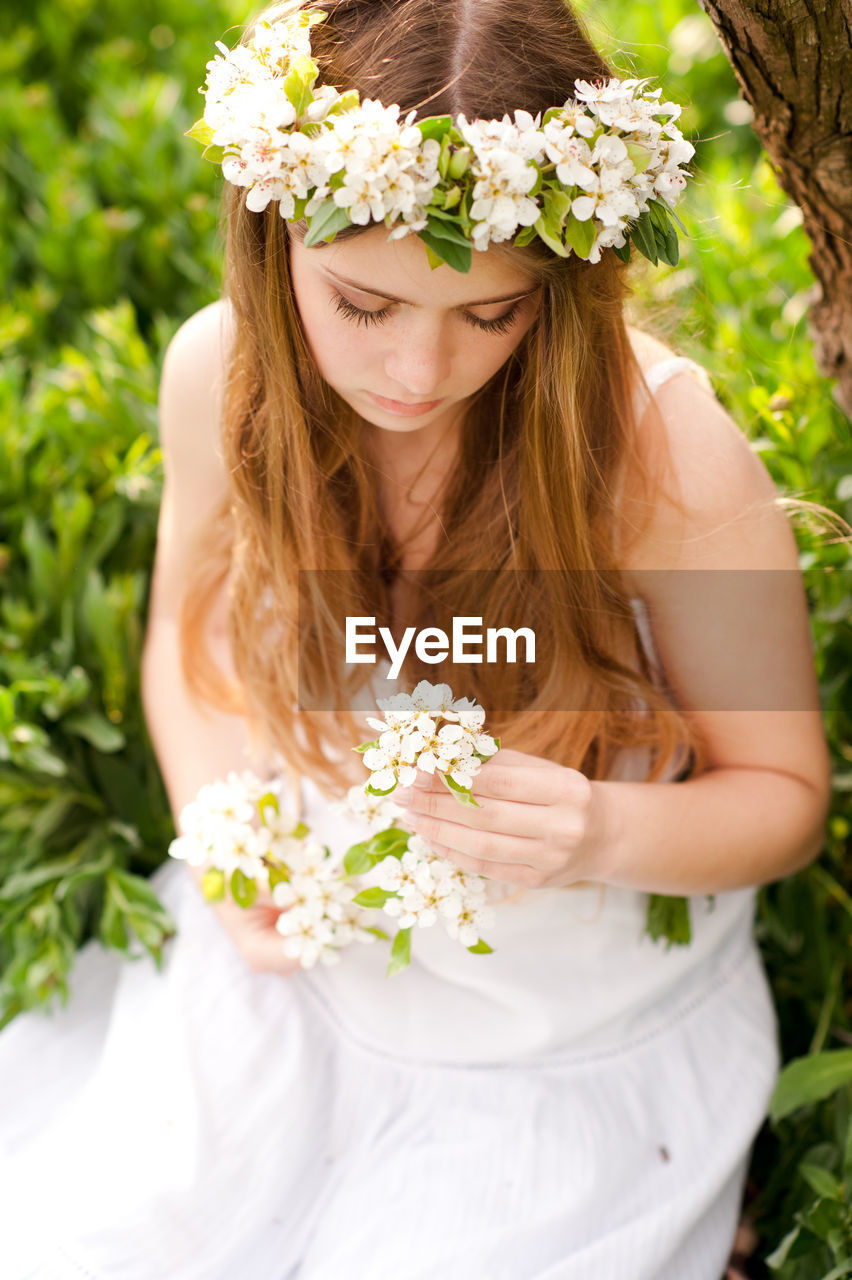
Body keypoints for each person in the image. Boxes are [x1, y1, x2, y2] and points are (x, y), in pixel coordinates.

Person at [0, 0, 833, 1276]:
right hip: (306, 961)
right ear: (274, 235)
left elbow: (783, 798)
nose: (417, 370)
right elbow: (184, 636)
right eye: (362, 302)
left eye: (490, 316)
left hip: (558, 1015)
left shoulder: (659, 455)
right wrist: (229, 840)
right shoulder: (218, 375)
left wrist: (598, 831)